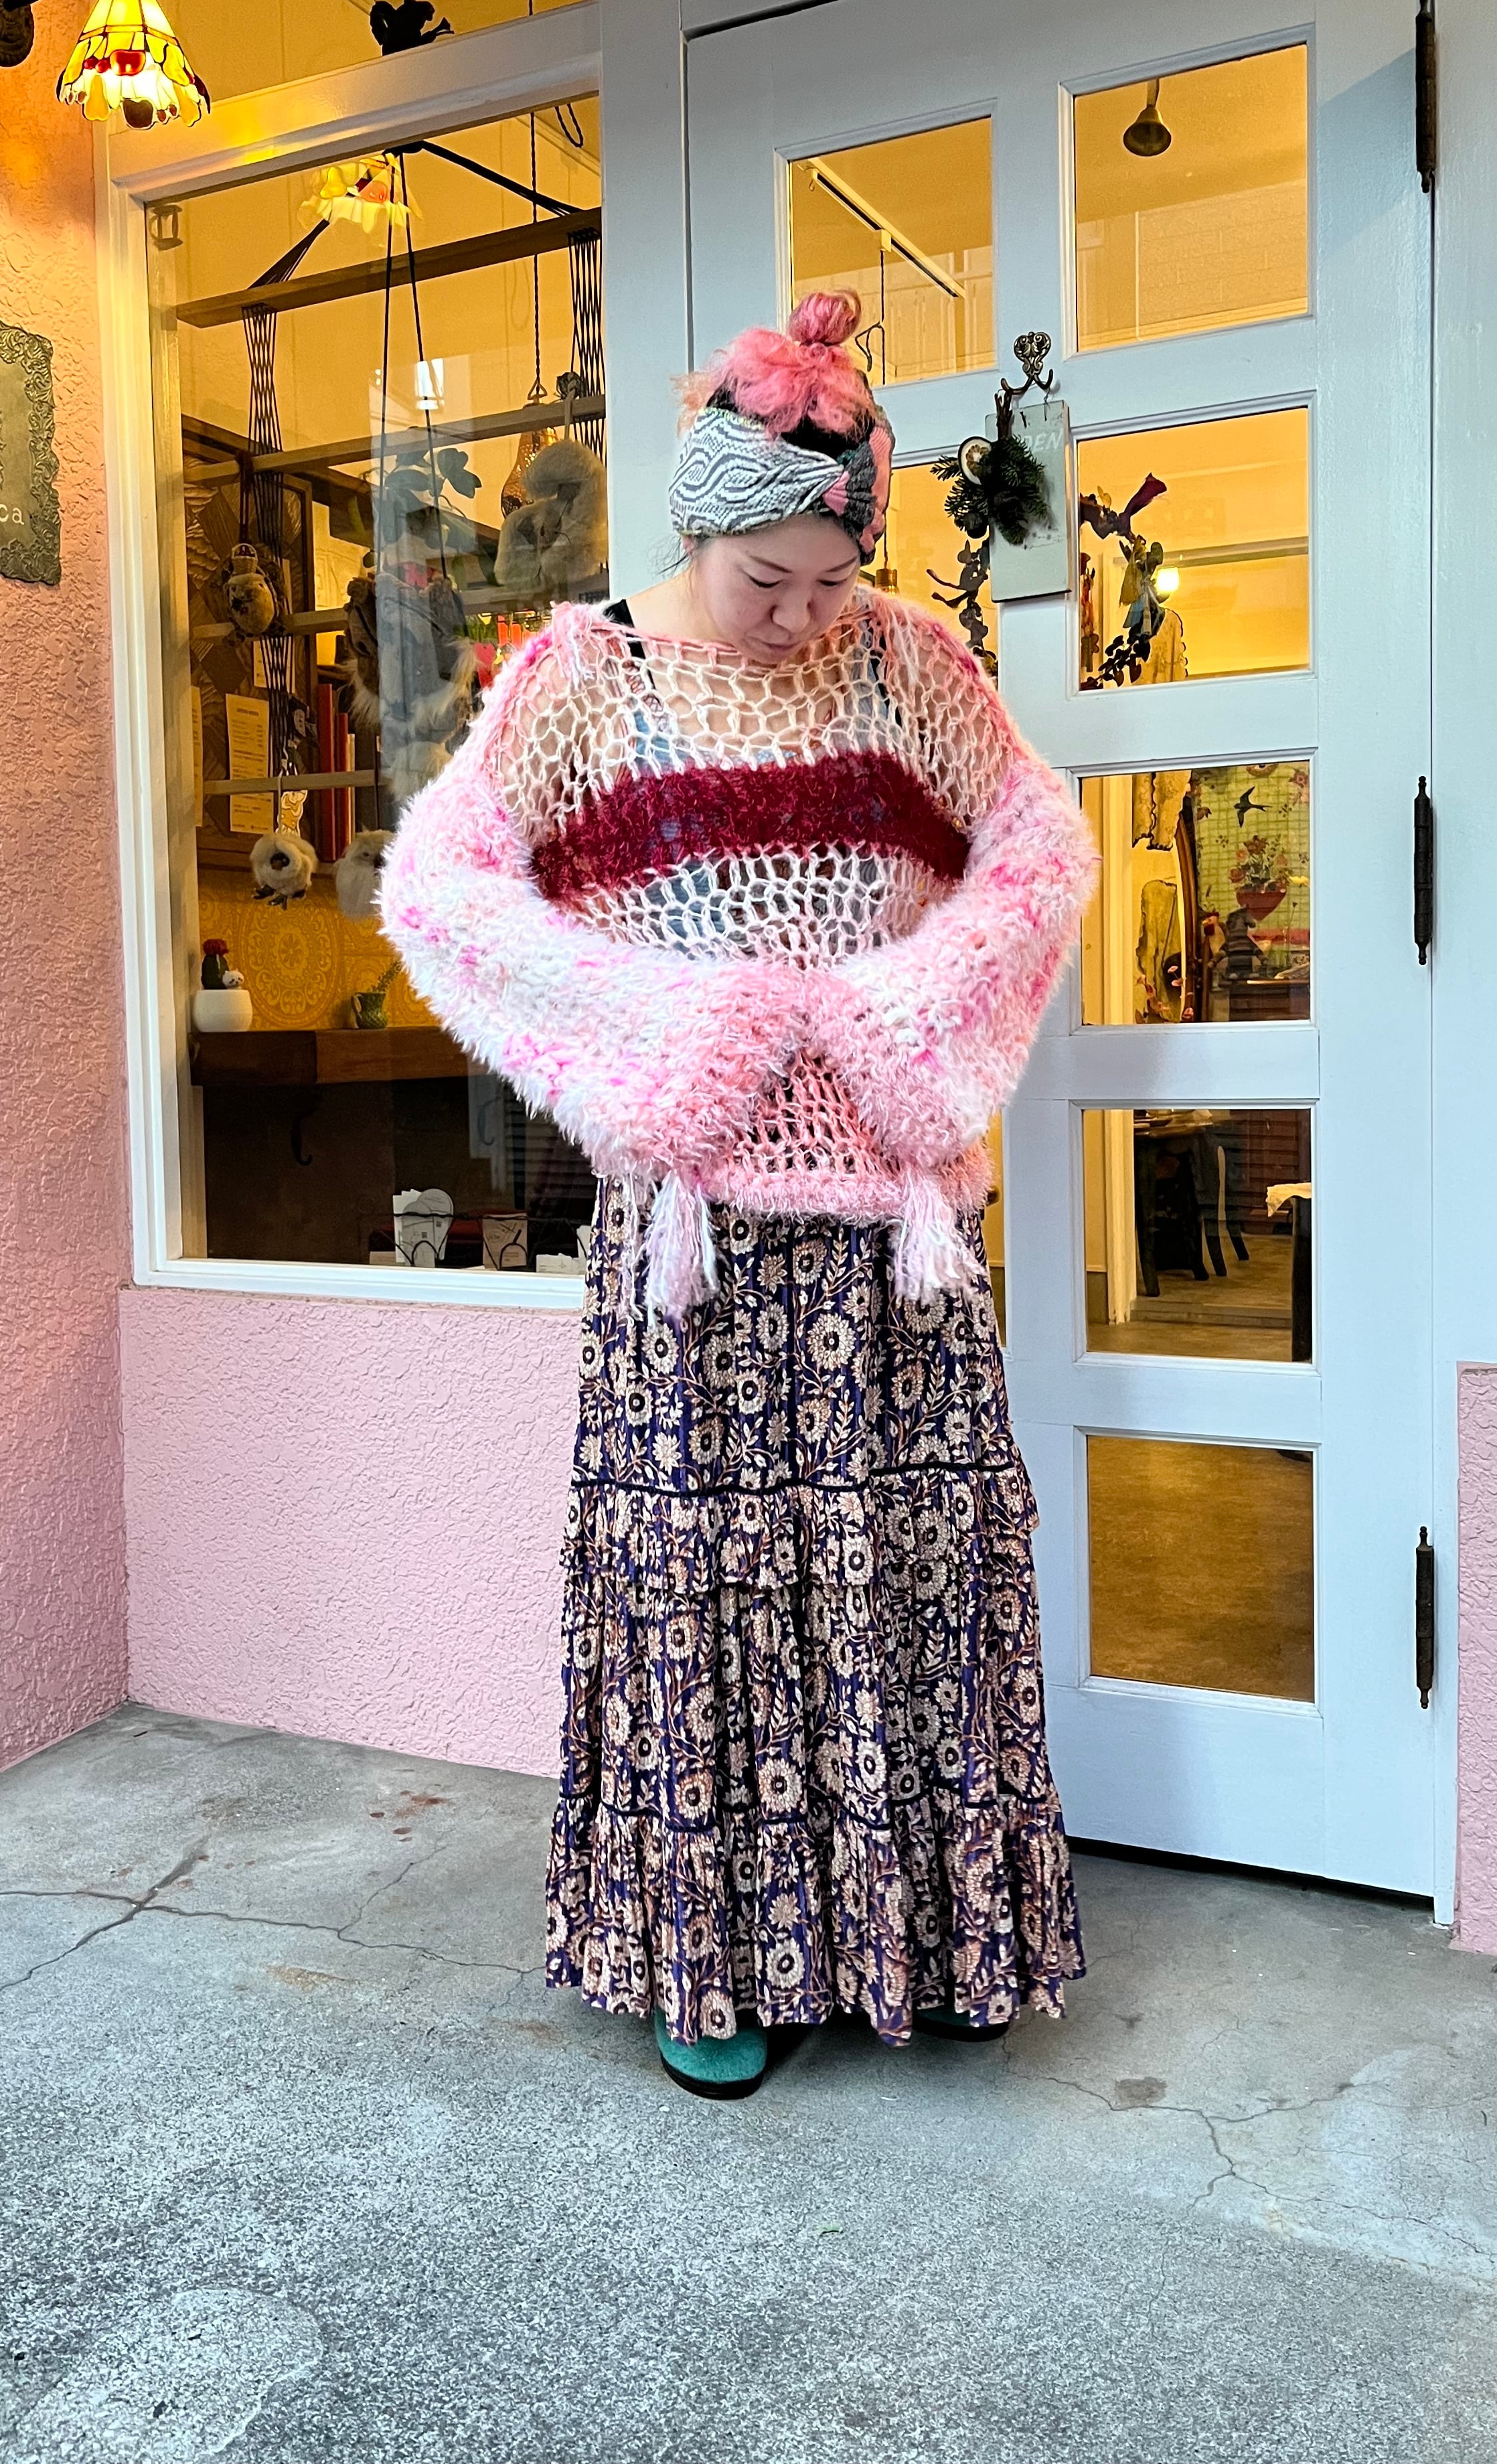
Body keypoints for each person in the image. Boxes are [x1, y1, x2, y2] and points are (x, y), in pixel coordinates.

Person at [380, 291, 1097, 2100]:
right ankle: (709, 1962)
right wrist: (657, 1036)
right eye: (766, 578)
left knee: (912, 1567)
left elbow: (1040, 845)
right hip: (693, 1242)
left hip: (893, 1231)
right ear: (700, 530)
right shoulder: (585, 681)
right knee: (699, 1582)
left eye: (830, 579)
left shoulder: (908, 666)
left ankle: (927, 1934)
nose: (798, 614)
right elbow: (443, 889)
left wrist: (913, 1016)